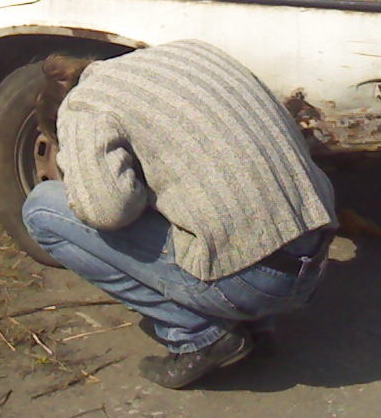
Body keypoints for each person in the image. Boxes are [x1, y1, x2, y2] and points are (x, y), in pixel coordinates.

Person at [21, 40, 336, 390]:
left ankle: (198, 335)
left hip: (257, 282)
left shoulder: (82, 107)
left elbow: (106, 211)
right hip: (314, 254)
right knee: (213, 192)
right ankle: (258, 324)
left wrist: (76, 165)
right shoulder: (188, 52)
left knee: (42, 209)